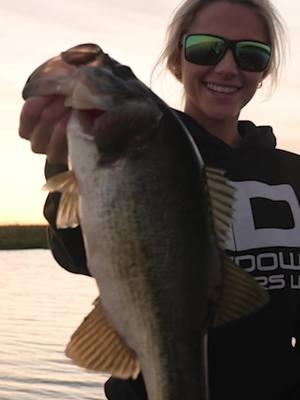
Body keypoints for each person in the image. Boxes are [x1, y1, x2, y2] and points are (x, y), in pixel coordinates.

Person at [19, 0, 300, 399]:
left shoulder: (294, 175)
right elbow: (75, 253)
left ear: (265, 71)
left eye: (251, 54)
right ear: (176, 59)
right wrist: (64, 164)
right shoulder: (138, 143)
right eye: (206, 48)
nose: (226, 67)